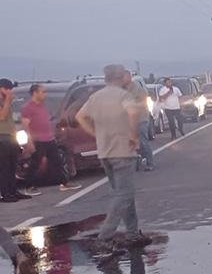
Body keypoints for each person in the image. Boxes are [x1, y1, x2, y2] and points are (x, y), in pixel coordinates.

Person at [77, 64, 147, 248]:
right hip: (123, 151)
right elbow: (133, 112)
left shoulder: (96, 97)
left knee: (124, 194)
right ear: (120, 77)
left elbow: (80, 116)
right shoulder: (123, 96)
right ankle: (105, 237)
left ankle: (132, 234)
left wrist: (95, 133)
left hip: (104, 152)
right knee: (124, 195)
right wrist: (133, 135)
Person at [20, 84, 80, 192]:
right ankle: (29, 186)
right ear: (35, 93)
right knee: (35, 163)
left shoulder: (42, 106)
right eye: (43, 92)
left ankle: (64, 183)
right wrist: (30, 142)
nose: (45, 94)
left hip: (49, 139)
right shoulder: (28, 108)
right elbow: (25, 125)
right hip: (38, 140)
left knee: (57, 162)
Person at [0, 79, 27, 203]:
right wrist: (7, 101)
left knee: (12, 166)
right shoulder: (4, 102)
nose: (10, 92)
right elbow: (2, 116)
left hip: (11, 136)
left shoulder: (5, 102)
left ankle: (13, 191)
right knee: (4, 167)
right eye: (8, 89)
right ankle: (6, 194)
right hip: (2, 138)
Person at [125, 79, 154, 171]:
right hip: (129, 121)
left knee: (143, 141)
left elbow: (143, 102)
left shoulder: (138, 88)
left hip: (141, 119)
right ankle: (136, 161)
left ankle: (150, 163)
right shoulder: (122, 90)